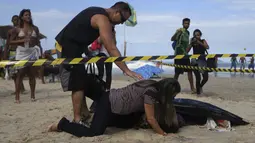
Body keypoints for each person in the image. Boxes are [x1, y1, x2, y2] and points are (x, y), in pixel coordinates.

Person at [54, 2, 143, 124]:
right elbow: (111, 48)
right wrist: (126, 70)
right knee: (77, 83)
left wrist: (87, 52)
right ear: (117, 12)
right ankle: (77, 119)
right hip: (66, 48)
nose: (121, 23)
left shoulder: (98, 12)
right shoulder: (102, 18)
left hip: (76, 49)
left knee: (81, 80)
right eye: (122, 19)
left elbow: (80, 30)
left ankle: (84, 113)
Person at [48, 78, 181, 137]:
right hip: (109, 103)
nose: (173, 98)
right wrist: (162, 133)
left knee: (130, 122)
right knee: (94, 133)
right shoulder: (152, 92)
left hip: (114, 101)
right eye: (173, 95)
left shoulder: (151, 84)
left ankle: (97, 119)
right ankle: (62, 124)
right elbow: (151, 119)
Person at [9, 9, 42, 103]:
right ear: (22, 17)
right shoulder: (17, 29)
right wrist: (22, 40)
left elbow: (38, 42)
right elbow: (11, 42)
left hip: (32, 52)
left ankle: (32, 96)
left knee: (32, 74)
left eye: (29, 15)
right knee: (20, 74)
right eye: (26, 15)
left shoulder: (35, 28)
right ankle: (17, 97)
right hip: (21, 52)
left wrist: (40, 51)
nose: (28, 16)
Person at [171, 18, 195, 93]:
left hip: (185, 54)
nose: (187, 25)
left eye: (188, 23)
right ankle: (173, 88)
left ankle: (192, 88)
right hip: (178, 54)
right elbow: (172, 39)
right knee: (177, 73)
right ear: (182, 24)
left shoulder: (188, 33)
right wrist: (177, 33)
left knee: (189, 71)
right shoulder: (180, 30)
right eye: (185, 23)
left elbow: (186, 45)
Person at [3, 15, 26, 94]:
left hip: (20, 52)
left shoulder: (22, 31)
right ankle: (19, 89)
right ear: (12, 21)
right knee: (13, 73)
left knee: (19, 71)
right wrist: (5, 54)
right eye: (14, 20)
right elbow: (7, 43)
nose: (16, 21)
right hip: (12, 52)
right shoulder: (10, 31)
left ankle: (20, 89)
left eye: (17, 20)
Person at [187, 29, 209, 95]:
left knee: (205, 77)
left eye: (198, 35)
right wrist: (191, 43)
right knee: (198, 77)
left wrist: (199, 42)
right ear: (194, 36)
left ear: (200, 35)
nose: (197, 37)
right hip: (195, 61)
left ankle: (199, 87)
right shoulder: (193, 43)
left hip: (202, 60)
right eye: (196, 35)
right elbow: (187, 51)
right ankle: (198, 94)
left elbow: (207, 47)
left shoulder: (203, 40)